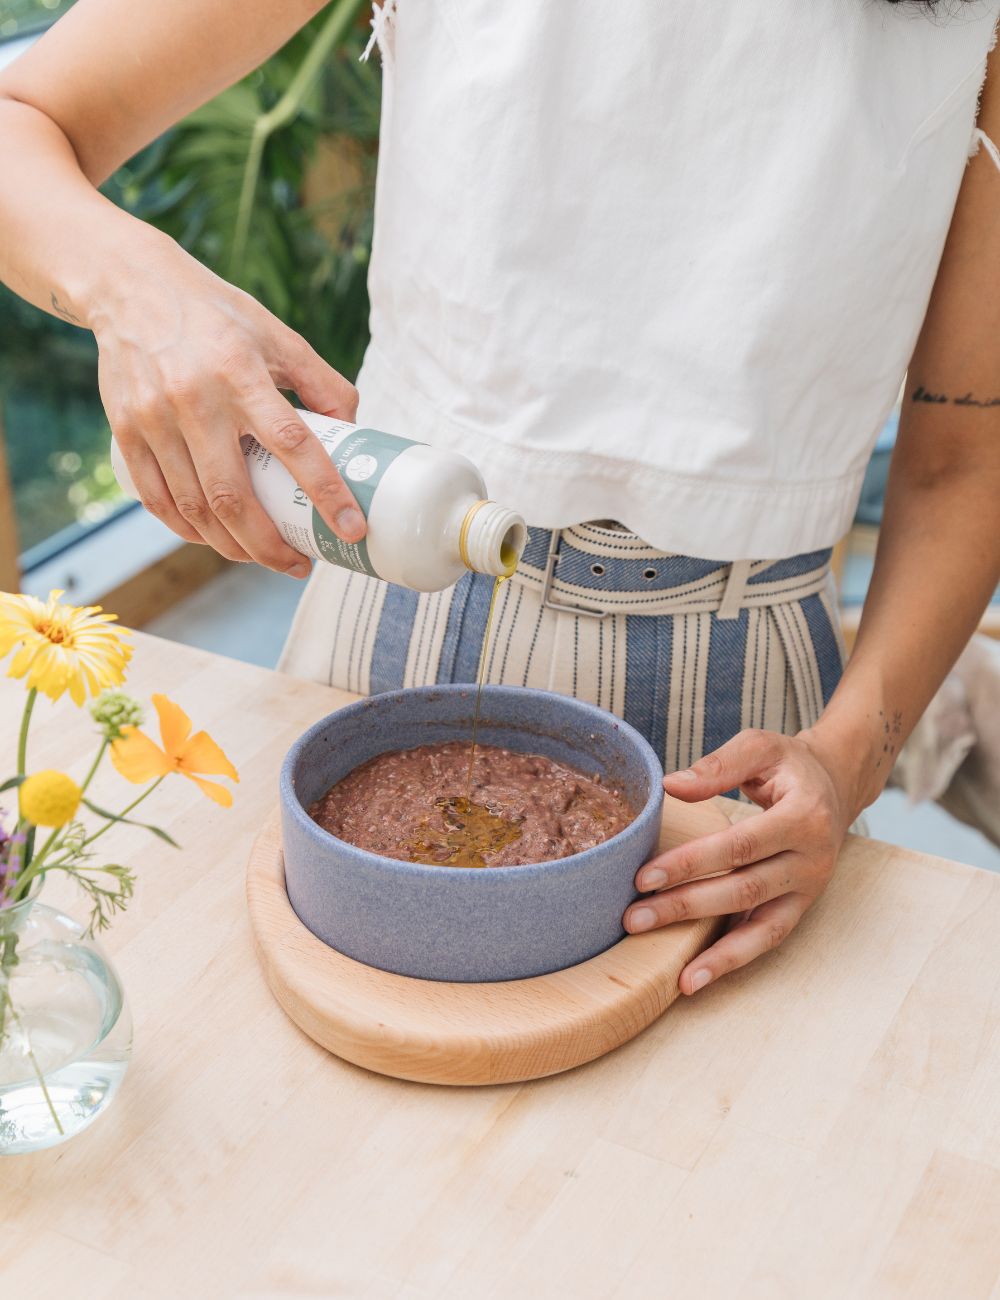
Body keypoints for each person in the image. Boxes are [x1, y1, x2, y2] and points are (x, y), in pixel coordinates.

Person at [1, 1, 999, 996]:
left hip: (747, 721)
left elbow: (964, 455)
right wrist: (139, 295)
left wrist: (846, 761)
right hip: (390, 611)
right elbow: (23, 121)